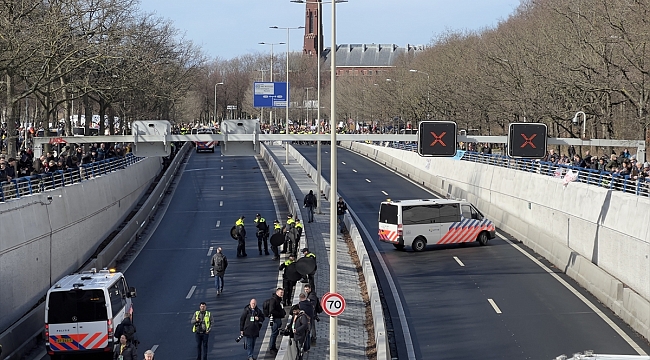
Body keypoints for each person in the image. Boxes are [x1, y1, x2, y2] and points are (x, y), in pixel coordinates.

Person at [267, 288, 286, 354]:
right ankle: (272, 348)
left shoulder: (278, 300)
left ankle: (273, 347)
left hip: (277, 319)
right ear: (277, 292)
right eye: (281, 292)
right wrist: (280, 314)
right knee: (274, 334)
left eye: (283, 293)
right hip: (275, 319)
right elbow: (271, 310)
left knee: (275, 333)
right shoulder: (274, 300)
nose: (282, 294)